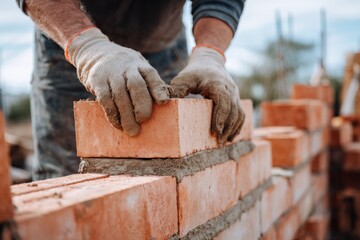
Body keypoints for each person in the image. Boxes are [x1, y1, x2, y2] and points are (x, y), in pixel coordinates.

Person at [16, 0, 246, 180]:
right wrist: (87, 46)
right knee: (64, 173)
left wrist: (210, 53)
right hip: (70, 42)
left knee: (175, 168)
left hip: (163, 46)